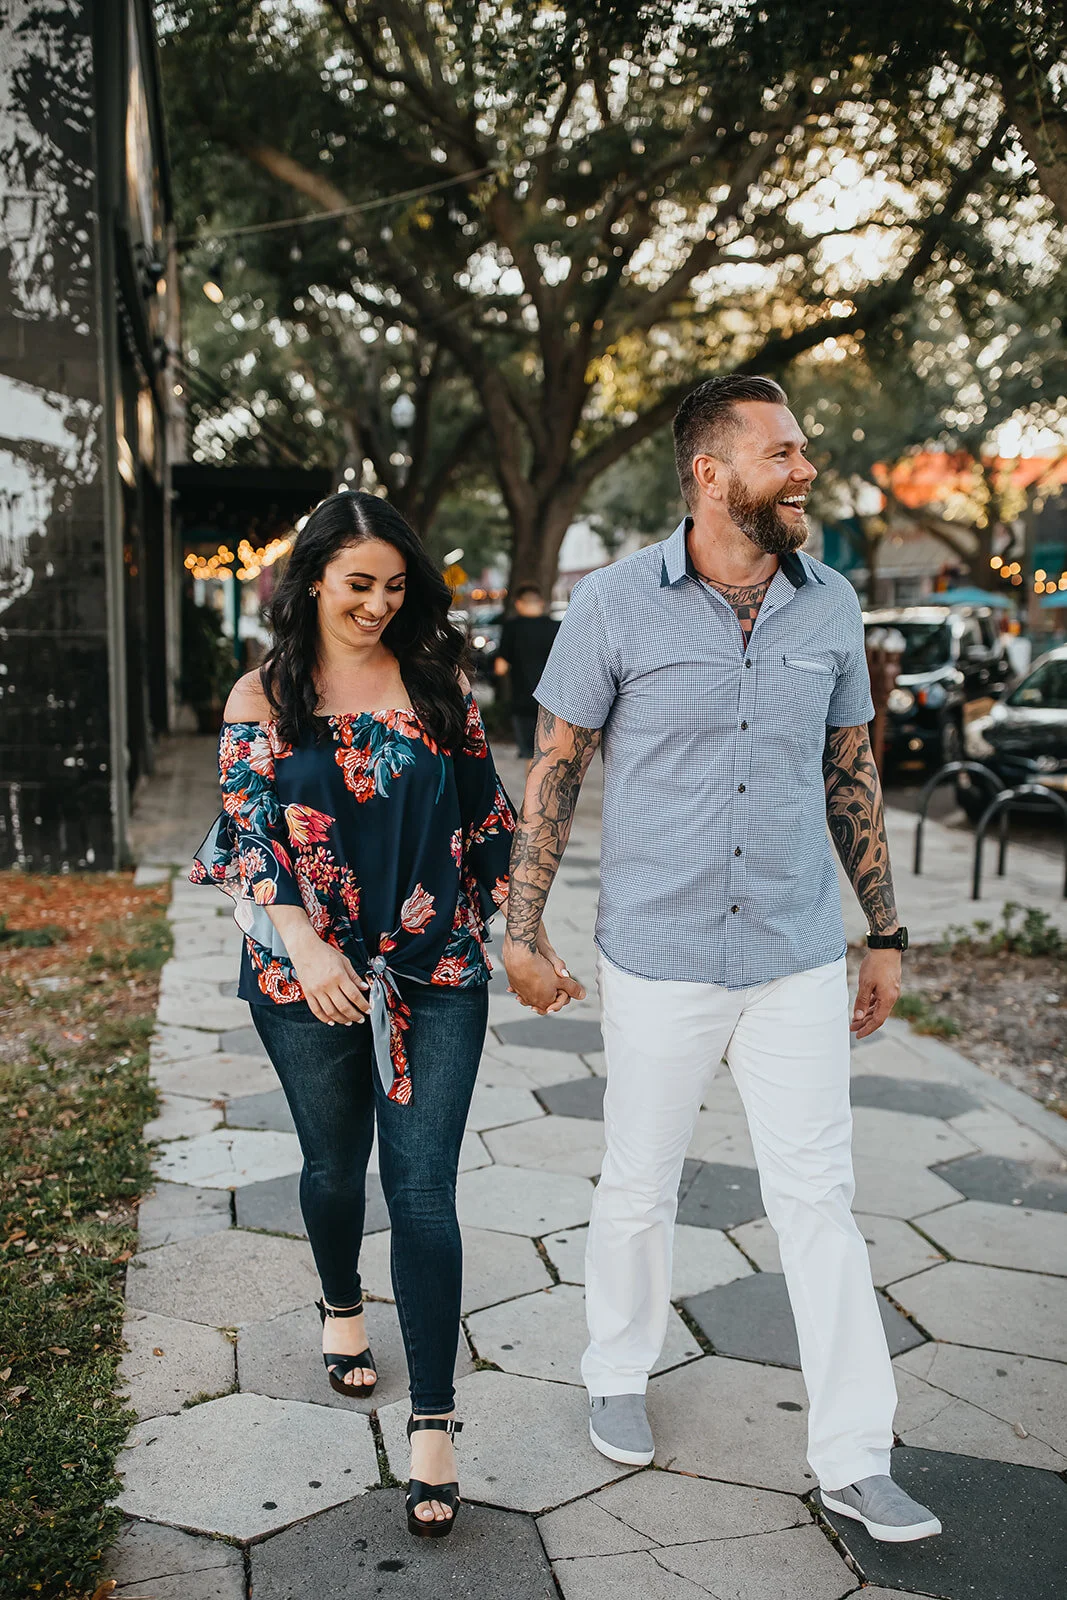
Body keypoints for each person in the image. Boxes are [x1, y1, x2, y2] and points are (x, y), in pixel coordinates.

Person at [504, 375, 942, 1544]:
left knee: (819, 1201)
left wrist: (883, 933)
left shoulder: (831, 604)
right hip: (657, 952)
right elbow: (556, 770)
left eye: (802, 449)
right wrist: (520, 926)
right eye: (783, 451)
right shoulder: (612, 604)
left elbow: (850, 775)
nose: (804, 468)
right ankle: (615, 1363)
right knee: (639, 1179)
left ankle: (854, 1454)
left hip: (794, 951)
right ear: (710, 472)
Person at [189, 491, 577, 1538]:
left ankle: (434, 1426)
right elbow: (249, 840)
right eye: (357, 583)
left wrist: (523, 936)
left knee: (423, 1191)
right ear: (311, 577)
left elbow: (485, 824)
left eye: (394, 586)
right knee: (329, 1163)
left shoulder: (438, 685)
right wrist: (305, 944)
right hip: (302, 965)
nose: (375, 604)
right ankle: (342, 1304)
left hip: (432, 962)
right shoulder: (260, 696)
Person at [494, 583, 560, 760]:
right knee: (553, 756)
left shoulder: (512, 628)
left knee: (531, 756)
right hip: (555, 702)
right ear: (541, 603)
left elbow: (500, 668)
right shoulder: (558, 628)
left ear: (518, 603)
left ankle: (534, 788)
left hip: (523, 700)